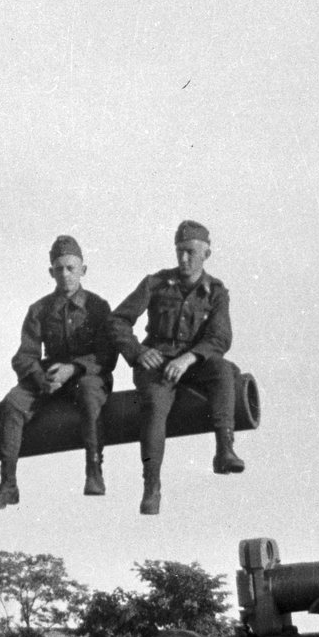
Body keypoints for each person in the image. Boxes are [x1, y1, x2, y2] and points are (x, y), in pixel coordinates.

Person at [110, 219, 244, 515]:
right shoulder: (155, 284)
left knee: (223, 371)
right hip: (157, 363)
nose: (184, 259)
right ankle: (152, 486)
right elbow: (117, 320)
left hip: (193, 362)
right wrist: (138, 352)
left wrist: (190, 358)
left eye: (191, 252)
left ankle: (225, 449)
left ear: (206, 254)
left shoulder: (216, 292)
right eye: (179, 251)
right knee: (155, 406)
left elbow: (221, 337)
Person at [0, 235, 118, 509]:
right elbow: (24, 356)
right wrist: (40, 379)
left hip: (86, 373)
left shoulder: (98, 307)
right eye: (59, 269)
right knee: (13, 405)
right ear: (51, 272)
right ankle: (7, 484)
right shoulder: (40, 309)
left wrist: (74, 368)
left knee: (91, 395)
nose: (65, 275)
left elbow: (107, 354)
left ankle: (94, 470)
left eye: (71, 268)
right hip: (50, 375)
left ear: (83, 270)